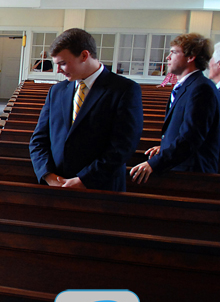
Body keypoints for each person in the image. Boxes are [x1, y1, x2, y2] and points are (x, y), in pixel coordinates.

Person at [29, 28, 143, 192]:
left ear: (84, 55)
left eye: (63, 63)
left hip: (101, 188)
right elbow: (39, 139)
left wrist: (85, 179)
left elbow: (123, 145)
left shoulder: (124, 89)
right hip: (57, 186)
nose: (58, 71)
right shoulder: (57, 91)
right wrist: (47, 175)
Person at [130, 34, 220, 183]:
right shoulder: (189, 86)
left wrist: (154, 164)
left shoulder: (201, 89)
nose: (167, 57)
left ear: (191, 57)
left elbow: (191, 137)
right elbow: (183, 128)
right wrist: (165, 146)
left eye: (174, 52)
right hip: (180, 166)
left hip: (191, 174)